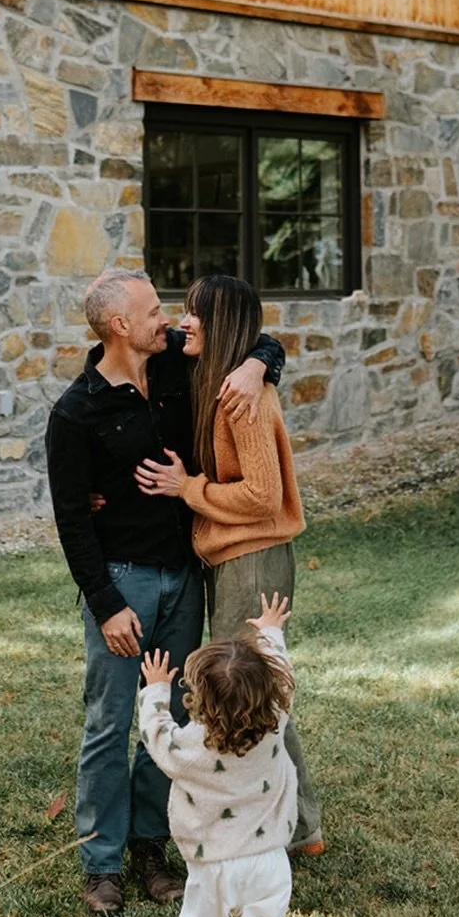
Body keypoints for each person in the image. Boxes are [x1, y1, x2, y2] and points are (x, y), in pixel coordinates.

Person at [45, 269, 286, 917]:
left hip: (183, 579)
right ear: (121, 325)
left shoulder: (178, 368)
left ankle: (151, 846)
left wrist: (260, 363)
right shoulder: (76, 412)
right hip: (122, 586)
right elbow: (71, 518)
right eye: (156, 311)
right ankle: (101, 864)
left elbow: (257, 338)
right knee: (108, 724)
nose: (172, 321)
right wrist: (104, 603)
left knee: (176, 722)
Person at [134, 273, 322, 853]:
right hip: (235, 555)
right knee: (257, 689)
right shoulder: (221, 378)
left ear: (221, 328)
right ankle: (299, 826)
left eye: (195, 315)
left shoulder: (241, 397)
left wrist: (189, 489)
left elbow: (263, 496)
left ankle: (296, 827)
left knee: (252, 692)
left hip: (254, 558)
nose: (181, 323)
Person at [138, 593, 312, 917]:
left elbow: (156, 735)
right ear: (267, 690)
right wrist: (269, 631)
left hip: (212, 863)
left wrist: (157, 689)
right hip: (268, 856)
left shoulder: (190, 748)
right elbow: (283, 670)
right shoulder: (276, 717)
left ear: (202, 699)